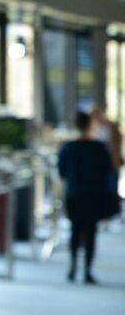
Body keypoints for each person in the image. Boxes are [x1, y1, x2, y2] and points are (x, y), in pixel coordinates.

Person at [58, 111, 113, 284]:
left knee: (75, 229)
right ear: (90, 125)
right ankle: (88, 271)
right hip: (94, 194)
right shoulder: (99, 147)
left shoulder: (68, 147)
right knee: (90, 232)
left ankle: (73, 266)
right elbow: (108, 170)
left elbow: (62, 172)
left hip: (74, 193)